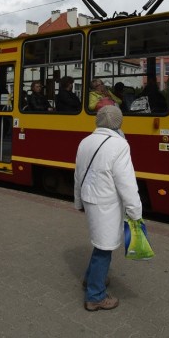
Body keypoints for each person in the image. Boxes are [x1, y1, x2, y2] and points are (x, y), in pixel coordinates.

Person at [74, 105, 142, 312]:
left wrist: (78, 202)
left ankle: (91, 278)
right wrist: (135, 211)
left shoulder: (85, 141)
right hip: (106, 204)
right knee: (105, 247)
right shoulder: (119, 145)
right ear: (119, 122)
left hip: (91, 200)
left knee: (101, 243)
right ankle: (95, 296)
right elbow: (126, 182)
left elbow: (78, 175)